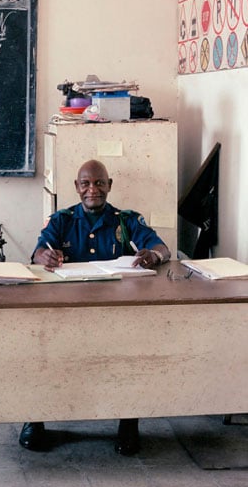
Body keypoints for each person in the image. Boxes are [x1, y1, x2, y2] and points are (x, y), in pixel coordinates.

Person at [19, 159, 171, 456]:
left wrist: (153, 255)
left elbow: (161, 247)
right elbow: (39, 250)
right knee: (40, 353)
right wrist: (43, 258)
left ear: (109, 185)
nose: (93, 189)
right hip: (66, 310)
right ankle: (34, 419)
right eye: (86, 183)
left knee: (128, 358)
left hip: (117, 312)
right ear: (77, 187)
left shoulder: (126, 220)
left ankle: (128, 422)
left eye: (100, 183)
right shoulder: (61, 219)